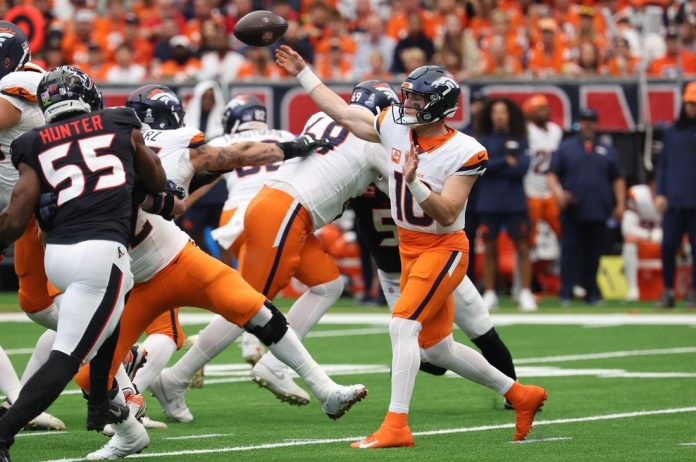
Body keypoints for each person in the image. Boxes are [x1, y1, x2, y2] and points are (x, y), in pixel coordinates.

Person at [72, 84, 368, 458]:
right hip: (138, 276)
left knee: (252, 306)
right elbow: (231, 159)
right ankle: (131, 434)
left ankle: (326, 390)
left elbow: (206, 175)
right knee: (91, 376)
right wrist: (294, 147)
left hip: (173, 259)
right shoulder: (165, 141)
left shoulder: (93, 154)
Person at [275, 45, 547, 448]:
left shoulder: (466, 151)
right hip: (408, 249)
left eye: (417, 99)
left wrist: (414, 181)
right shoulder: (395, 126)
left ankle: (396, 425)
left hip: (443, 248)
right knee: (438, 349)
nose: (407, 104)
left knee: (402, 324)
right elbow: (345, 114)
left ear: (438, 106)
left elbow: (447, 212)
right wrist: (303, 72)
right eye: (407, 96)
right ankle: (521, 394)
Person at [153, 80, 396, 419]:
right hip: (282, 211)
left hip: (271, 212)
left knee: (328, 285)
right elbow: (401, 184)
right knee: (248, 305)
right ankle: (176, 378)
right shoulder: (360, 141)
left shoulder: (318, 119)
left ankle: (271, 363)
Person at [0, 65, 167, 462]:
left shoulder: (32, 142)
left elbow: (17, 217)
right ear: (91, 97)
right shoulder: (119, 121)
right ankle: (3, 434)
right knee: (68, 355)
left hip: (57, 255)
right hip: (101, 253)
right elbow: (157, 182)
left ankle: (102, 406)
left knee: (112, 313)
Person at [349, 186, 519, 408]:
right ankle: (397, 409)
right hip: (402, 274)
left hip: (435, 266)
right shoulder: (369, 182)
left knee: (481, 331)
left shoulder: (387, 182)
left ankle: (516, 394)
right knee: (423, 346)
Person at [188, 94, 296, 374]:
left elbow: (199, 183)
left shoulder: (223, 142)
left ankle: (239, 344)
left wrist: (174, 207)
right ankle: (212, 351)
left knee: (252, 289)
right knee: (256, 292)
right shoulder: (285, 136)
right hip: (276, 214)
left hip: (236, 216)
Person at [0, 20, 64, 431]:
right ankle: (18, 400)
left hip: (32, 212)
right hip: (18, 212)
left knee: (55, 309)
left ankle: (119, 380)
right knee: (40, 307)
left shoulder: (24, 81)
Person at [548, 108, 626, 305]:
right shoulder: (566, 148)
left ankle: (592, 292)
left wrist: (620, 204)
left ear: (597, 124)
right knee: (569, 252)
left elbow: (618, 178)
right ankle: (566, 292)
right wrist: (558, 194)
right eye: (584, 121)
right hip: (573, 209)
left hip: (598, 209)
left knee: (595, 253)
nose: (588, 125)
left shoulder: (607, 149)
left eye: (591, 121)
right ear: (579, 123)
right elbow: (552, 174)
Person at [476, 98, 537, 312]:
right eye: (496, 112)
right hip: (489, 201)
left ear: (509, 115)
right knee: (489, 247)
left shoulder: (520, 139)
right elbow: (481, 167)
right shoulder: (483, 140)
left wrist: (497, 165)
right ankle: (490, 292)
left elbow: (522, 167)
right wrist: (504, 161)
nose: (499, 116)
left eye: (503, 112)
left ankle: (525, 292)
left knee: (522, 245)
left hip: (514, 201)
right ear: (491, 116)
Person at [654, 82, 696, 308]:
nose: (692, 108)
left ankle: (694, 292)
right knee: (668, 246)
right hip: (674, 201)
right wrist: (660, 193)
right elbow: (663, 165)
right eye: (690, 103)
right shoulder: (672, 132)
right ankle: (668, 290)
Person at [523, 95, 563, 246]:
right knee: (529, 235)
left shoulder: (555, 131)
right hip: (530, 189)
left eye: (546, 108)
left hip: (551, 190)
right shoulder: (527, 131)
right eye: (539, 109)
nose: (545, 112)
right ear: (530, 113)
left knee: (561, 229)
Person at [622, 181, 662, 301]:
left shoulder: (675, 195)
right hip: (645, 243)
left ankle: (675, 288)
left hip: (667, 242)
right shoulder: (638, 194)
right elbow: (627, 230)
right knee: (629, 244)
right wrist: (650, 235)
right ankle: (632, 288)